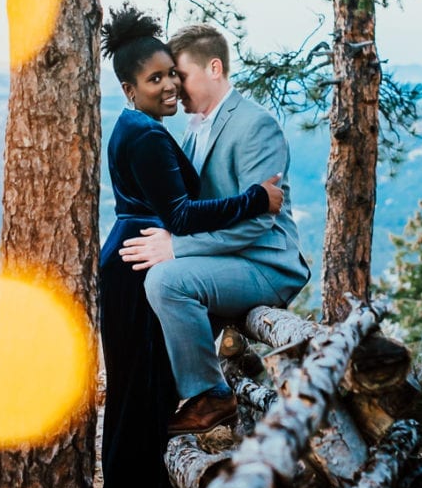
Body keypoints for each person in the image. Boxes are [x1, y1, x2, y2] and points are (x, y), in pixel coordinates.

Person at [94, 4, 284, 488]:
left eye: (172, 74)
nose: (169, 85)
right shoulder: (148, 136)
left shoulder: (137, 127)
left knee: (139, 401)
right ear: (130, 88)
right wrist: (257, 199)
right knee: (142, 403)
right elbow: (178, 214)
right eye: (157, 78)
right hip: (141, 265)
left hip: (133, 254)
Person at [120, 23, 311, 436]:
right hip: (223, 263)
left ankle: (212, 393)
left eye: (180, 75)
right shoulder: (191, 129)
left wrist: (177, 248)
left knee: (167, 280)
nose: (174, 86)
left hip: (264, 264)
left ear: (214, 68)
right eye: (167, 76)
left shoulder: (255, 126)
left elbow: (258, 223)